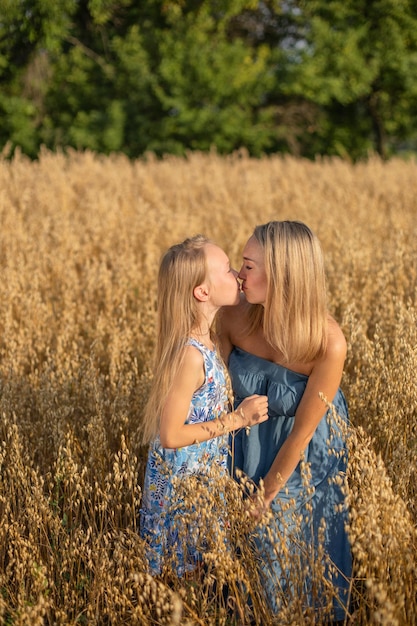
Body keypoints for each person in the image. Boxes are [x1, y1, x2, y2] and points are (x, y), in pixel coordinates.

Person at [218, 221, 352, 621]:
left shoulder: (327, 342)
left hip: (306, 452)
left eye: (249, 266)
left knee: (287, 546)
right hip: (246, 439)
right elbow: (212, 394)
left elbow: (303, 431)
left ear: (283, 274)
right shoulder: (234, 317)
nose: (240, 276)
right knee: (244, 559)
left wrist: (264, 497)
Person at [140, 234, 269, 577]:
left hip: (201, 485)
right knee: (184, 580)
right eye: (227, 270)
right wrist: (238, 419)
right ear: (202, 292)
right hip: (181, 492)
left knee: (202, 579)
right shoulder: (189, 356)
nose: (237, 275)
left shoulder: (209, 339)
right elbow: (170, 435)